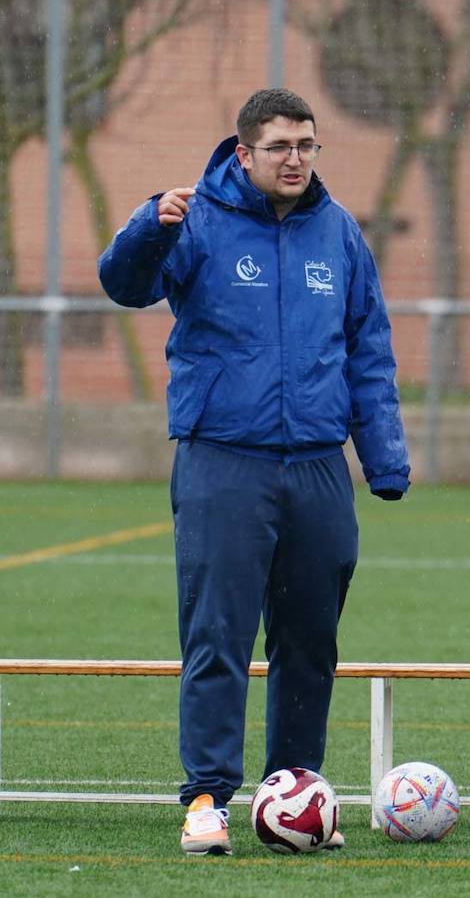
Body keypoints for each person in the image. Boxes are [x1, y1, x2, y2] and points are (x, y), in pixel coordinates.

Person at [98, 88, 411, 856]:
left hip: (316, 468)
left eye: (307, 145)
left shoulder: (339, 233)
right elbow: (124, 285)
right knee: (218, 634)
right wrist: (148, 225)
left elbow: (368, 348)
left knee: (310, 640)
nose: (296, 159)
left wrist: (384, 457)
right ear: (243, 153)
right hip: (222, 462)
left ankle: (293, 796)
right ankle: (206, 798)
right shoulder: (194, 219)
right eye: (280, 147)